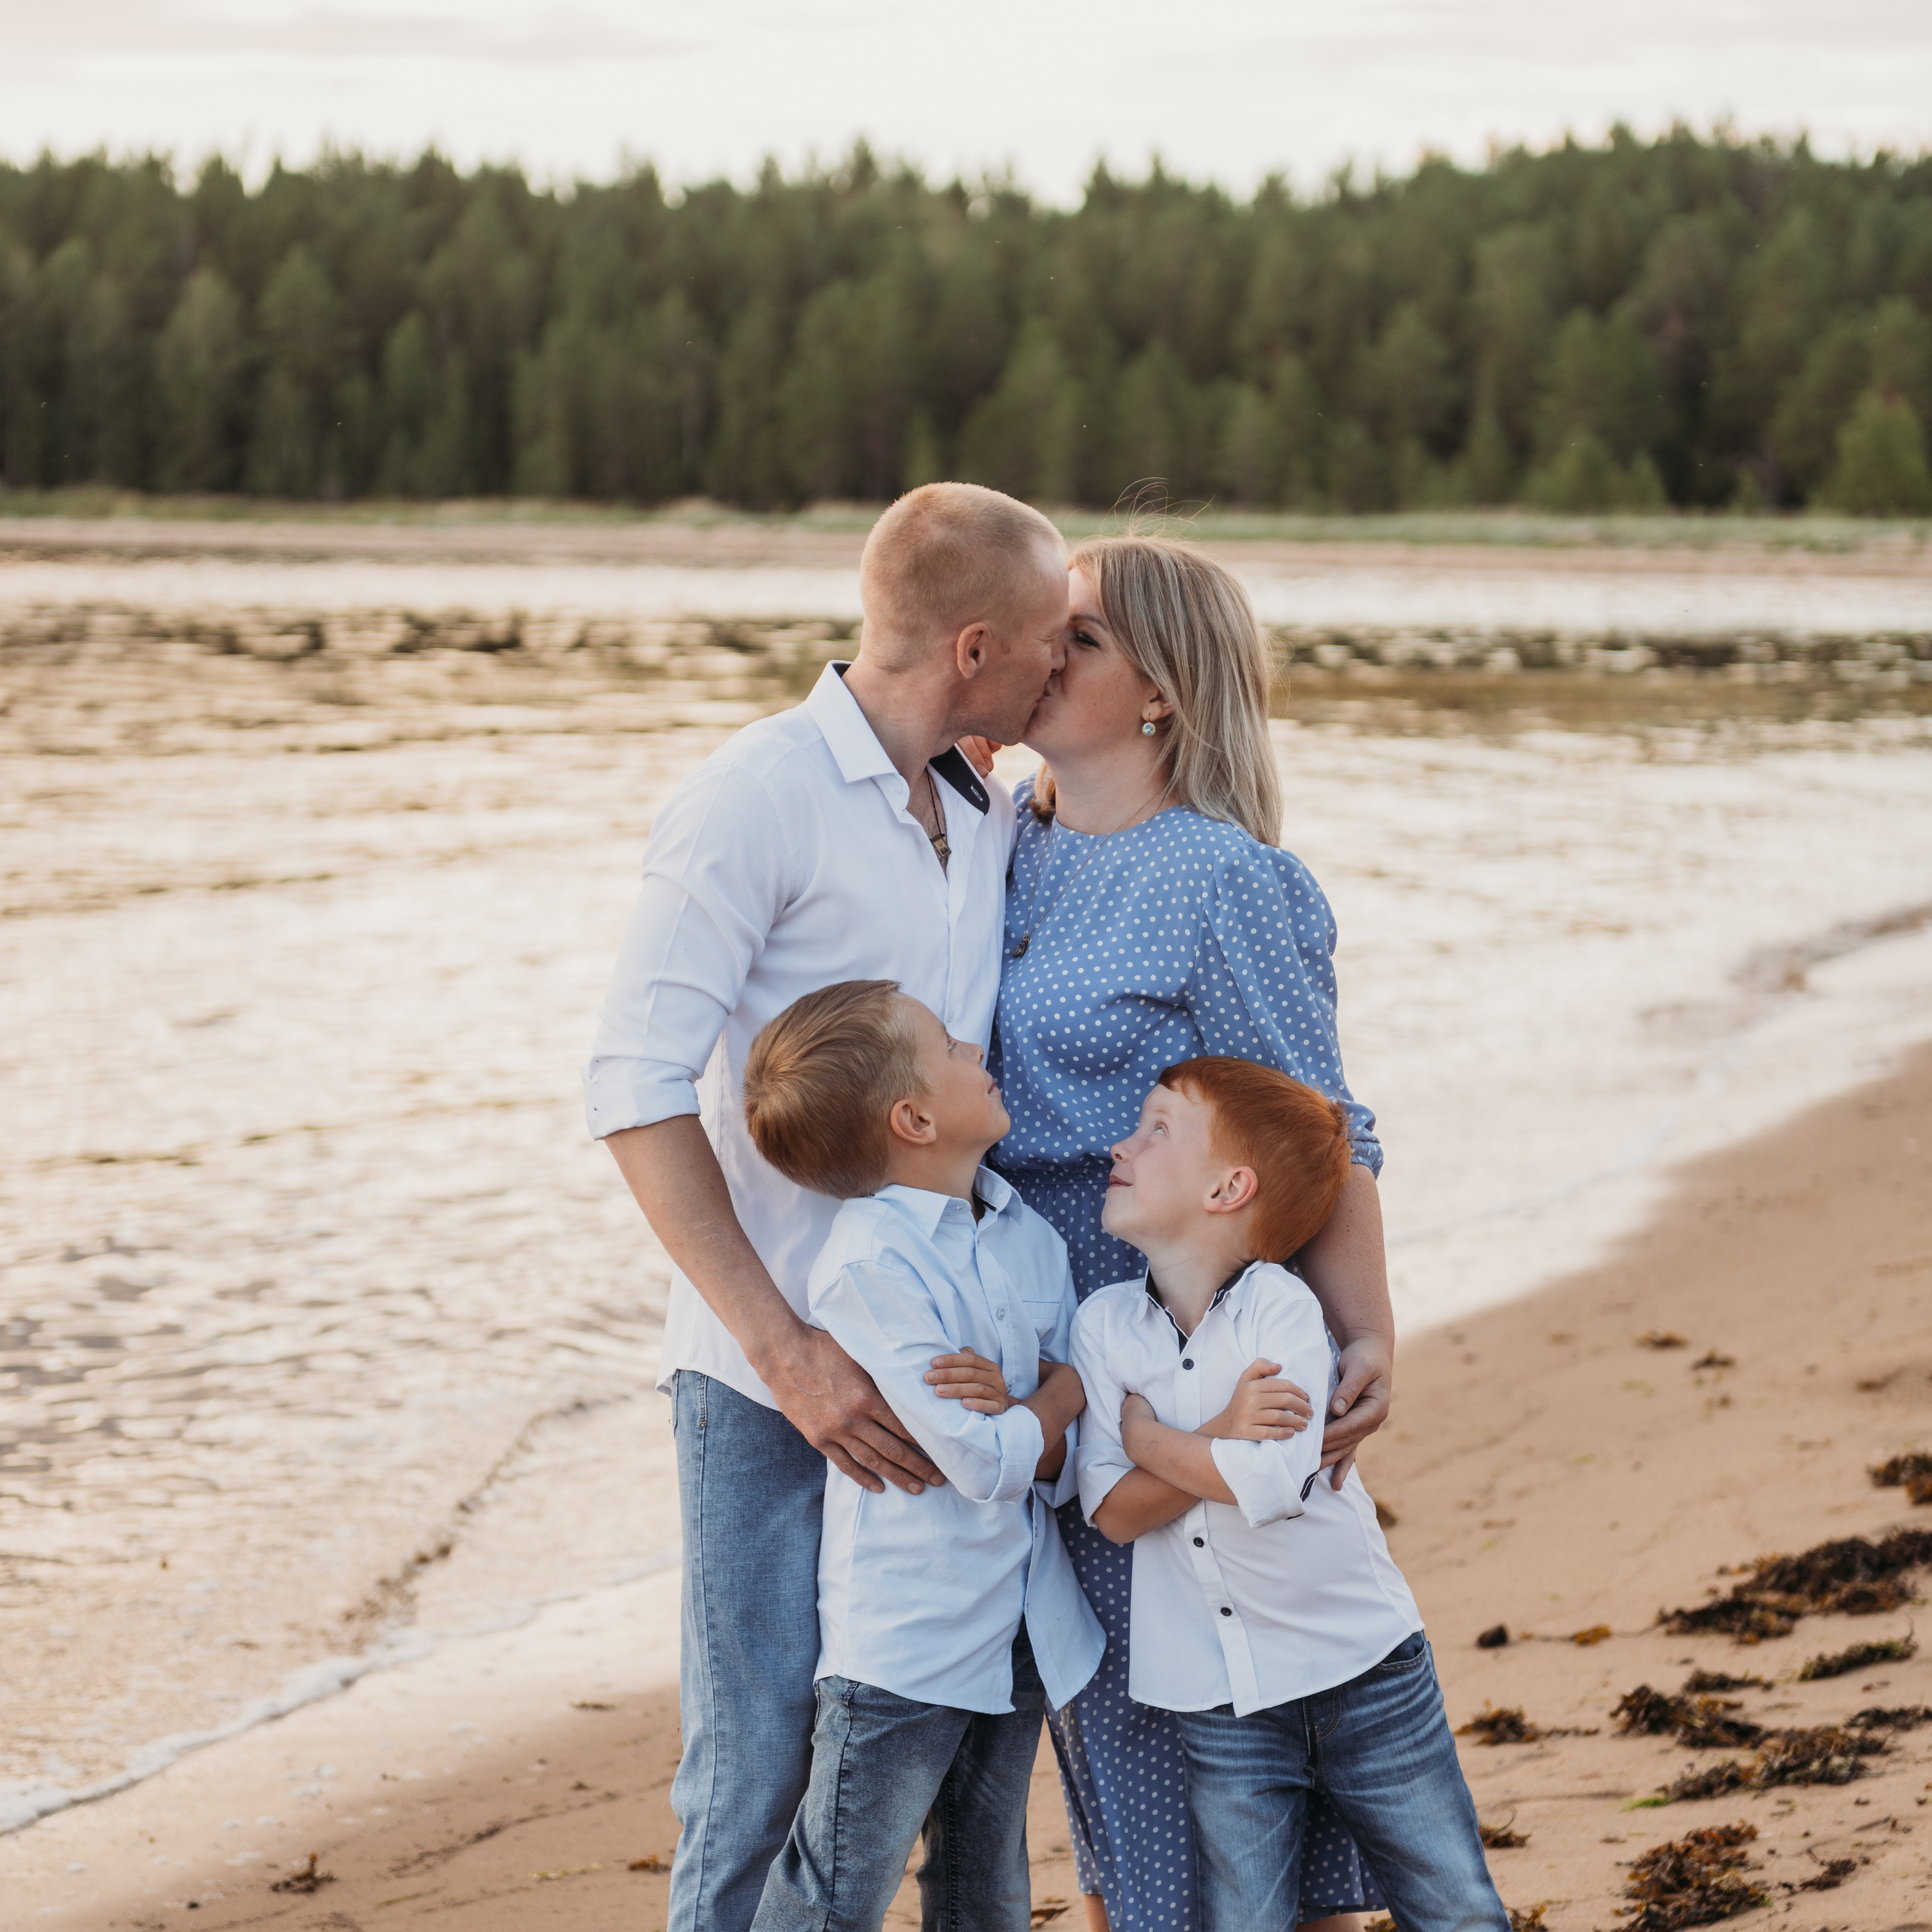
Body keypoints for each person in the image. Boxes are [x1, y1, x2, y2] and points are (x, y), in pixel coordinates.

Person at [583, 483, 1071, 1932]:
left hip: (945, 1379)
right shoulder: (756, 796)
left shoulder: (982, 808)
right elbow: (630, 1084)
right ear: (976, 645)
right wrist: (789, 1355)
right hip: (767, 1382)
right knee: (754, 1776)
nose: (1070, 663)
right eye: (1055, 640)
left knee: (959, 1780)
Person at [987, 534, 1395, 1931]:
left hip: (1184, 1344)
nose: (1042, 654)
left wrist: (1368, 1334)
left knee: (1241, 1730)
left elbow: (1317, 1129)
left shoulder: (1220, 880)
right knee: (1107, 1747)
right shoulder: (991, 843)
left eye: (1080, 639)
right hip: (1037, 1347)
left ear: (1163, 691)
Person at [1071, 1057, 1507, 1932]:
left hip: (1362, 1666)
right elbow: (1109, 1512)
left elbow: (1269, 1486)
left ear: (1230, 1187)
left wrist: (1153, 1441)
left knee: (1453, 1903)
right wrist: (1219, 1439)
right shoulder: (1102, 1326)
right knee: (1245, 1921)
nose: (1121, 1143)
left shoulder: (1283, 1309)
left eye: (1157, 1128)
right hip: (1217, 1701)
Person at [740, 979, 1103, 1930]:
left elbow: (1061, 1458)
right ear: (913, 1116)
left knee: (987, 1888)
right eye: (950, 1045)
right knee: (837, 1893)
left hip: (1018, 1620)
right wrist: (1062, 1390)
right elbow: (982, 1460)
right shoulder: (870, 1265)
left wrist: (1046, 1411)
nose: (976, 1050)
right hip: (909, 1640)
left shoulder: (1026, 1234)